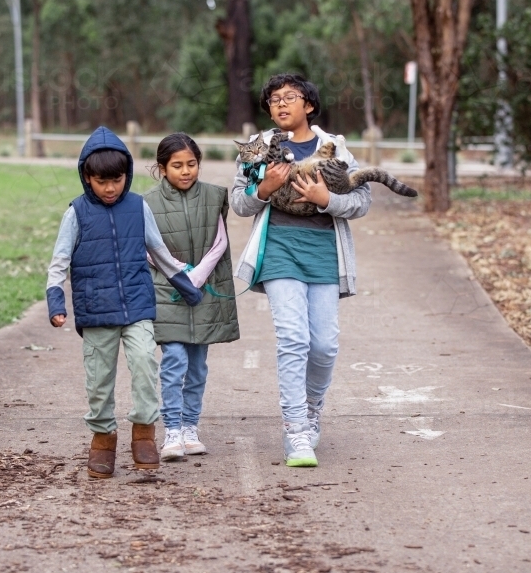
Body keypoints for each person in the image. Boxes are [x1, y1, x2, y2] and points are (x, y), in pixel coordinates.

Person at [230, 73, 371, 467]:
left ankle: (311, 410)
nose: (280, 104)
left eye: (289, 97)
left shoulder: (335, 147)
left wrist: (327, 199)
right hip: (278, 250)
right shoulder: (258, 149)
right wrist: (264, 190)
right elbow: (239, 203)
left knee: (324, 345)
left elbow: (362, 200)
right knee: (294, 338)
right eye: (274, 100)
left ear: (308, 105)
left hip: (324, 252)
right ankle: (295, 430)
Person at [46, 126, 202, 479]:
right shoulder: (76, 213)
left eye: (117, 180)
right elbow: (58, 262)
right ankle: (103, 438)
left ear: (126, 175)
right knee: (99, 380)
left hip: (136, 306)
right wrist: (57, 303)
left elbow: (159, 252)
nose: (111, 188)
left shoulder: (137, 207)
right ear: (87, 177)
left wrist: (187, 285)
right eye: (102, 181)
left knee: (146, 363)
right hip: (96, 310)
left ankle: (144, 433)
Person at [144, 133, 240, 461]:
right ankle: (171, 430)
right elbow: (146, 247)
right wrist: (180, 273)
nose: (185, 171)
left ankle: (189, 427)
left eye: (192, 164)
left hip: (204, 294)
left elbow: (220, 241)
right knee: (174, 361)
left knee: (198, 367)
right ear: (162, 168)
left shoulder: (214, 196)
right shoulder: (146, 203)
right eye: (177, 165)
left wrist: (198, 275)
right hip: (167, 292)